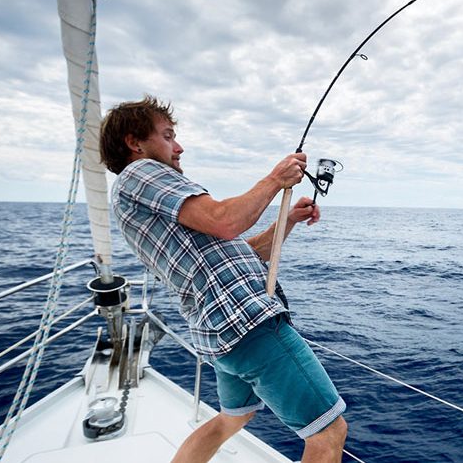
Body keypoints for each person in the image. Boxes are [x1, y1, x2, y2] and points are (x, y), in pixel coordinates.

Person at [99, 95, 347, 463]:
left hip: (220, 334)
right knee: (328, 432)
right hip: (247, 324)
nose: (178, 147)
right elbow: (224, 220)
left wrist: (287, 221)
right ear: (135, 143)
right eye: (167, 136)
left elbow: (236, 251)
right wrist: (276, 179)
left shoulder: (138, 195)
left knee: (234, 417)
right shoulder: (140, 173)